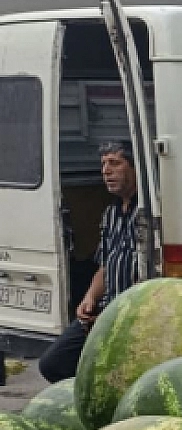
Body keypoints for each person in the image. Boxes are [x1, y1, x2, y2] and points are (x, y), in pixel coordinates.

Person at [37, 142, 143, 383]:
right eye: (103, 164)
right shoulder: (110, 213)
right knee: (53, 364)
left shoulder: (149, 212)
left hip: (131, 314)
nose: (106, 171)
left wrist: (112, 315)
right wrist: (89, 300)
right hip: (104, 310)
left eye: (115, 163)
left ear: (135, 168)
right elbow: (104, 267)